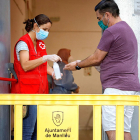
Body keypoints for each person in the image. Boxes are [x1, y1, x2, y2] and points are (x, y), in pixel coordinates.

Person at [64, 0, 140, 140]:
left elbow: (96, 58)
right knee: (124, 131)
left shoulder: (111, 31)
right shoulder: (128, 30)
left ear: (107, 15)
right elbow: (112, 61)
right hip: (130, 87)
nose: (99, 22)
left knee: (112, 131)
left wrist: (78, 65)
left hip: (116, 88)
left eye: (99, 19)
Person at [11, 14, 62, 140]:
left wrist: (54, 73)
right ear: (35, 26)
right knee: (27, 132)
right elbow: (26, 65)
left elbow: (43, 66)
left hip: (40, 93)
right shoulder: (23, 43)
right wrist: (45, 58)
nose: (46, 32)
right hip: (27, 93)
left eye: (48, 30)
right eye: (45, 29)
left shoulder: (40, 44)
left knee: (37, 132)